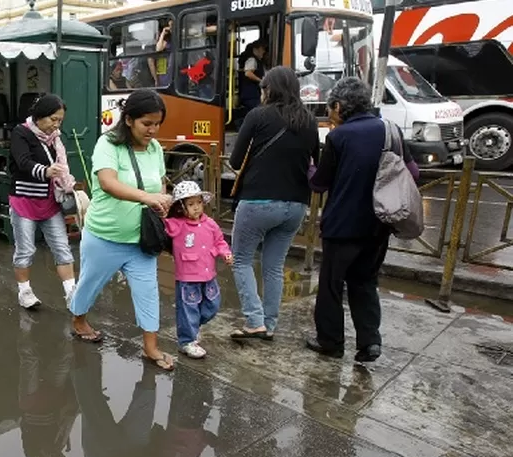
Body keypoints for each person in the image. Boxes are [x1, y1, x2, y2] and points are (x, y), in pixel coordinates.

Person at [306, 77, 419, 362]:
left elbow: (319, 183)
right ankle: (369, 342)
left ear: (340, 106)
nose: (331, 112)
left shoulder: (339, 137)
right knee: (365, 281)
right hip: (379, 224)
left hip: (342, 226)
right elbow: (413, 172)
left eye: (332, 107)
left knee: (332, 284)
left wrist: (309, 168)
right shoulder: (390, 130)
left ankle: (330, 341)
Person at [68, 89, 175, 371]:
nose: (153, 130)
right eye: (147, 124)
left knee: (148, 292)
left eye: (157, 124)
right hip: (104, 236)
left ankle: (151, 347)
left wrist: (162, 201)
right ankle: (78, 320)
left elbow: (160, 183)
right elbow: (108, 183)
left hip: (140, 240)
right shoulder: (108, 144)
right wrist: (147, 197)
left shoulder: (155, 149)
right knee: (89, 284)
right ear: (129, 120)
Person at [228, 67, 319, 341]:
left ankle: (254, 320)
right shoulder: (309, 121)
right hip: (296, 206)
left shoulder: (258, 115)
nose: (261, 94)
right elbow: (315, 162)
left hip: (258, 201)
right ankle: (269, 324)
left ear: (270, 90)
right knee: (274, 266)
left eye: (263, 89)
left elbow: (234, 162)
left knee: (242, 260)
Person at [8, 94, 77, 309]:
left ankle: (72, 294)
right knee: (26, 249)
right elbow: (22, 162)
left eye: (59, 120)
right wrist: (46, 171)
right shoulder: (21, 132)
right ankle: (25, 292)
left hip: (50, 201)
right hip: (24, 200)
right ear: (39, 116)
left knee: (62, 247)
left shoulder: (55, 138)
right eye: (53, 119)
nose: (56, 125)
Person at [164, 180, 232, 359]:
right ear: (181, 208)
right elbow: (163, 224)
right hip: (187, 277)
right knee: (188, 308)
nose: (196, 208)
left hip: (208, 274)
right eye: (191, 204)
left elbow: (219, 241)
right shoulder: (177, 224)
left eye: (199, 203)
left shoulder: (210, 224)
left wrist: (225, 253)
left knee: (213, 305)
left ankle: (191, 327)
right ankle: (187, 340)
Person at [238, 40, 267, 113]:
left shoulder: (257, 60)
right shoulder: (252, 60)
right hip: (250, 95)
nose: (264, 51)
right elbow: (248, 73)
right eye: (262, 49)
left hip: (251, 95)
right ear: (255, 49)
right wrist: (261, 81)